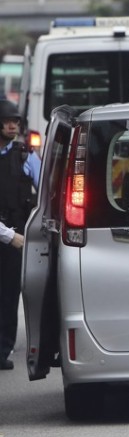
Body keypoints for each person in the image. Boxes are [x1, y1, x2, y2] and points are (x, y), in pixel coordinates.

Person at [0, 100, 40, 370]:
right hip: (8, 236)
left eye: (16, 120)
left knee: (9, 294)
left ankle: (2, 350)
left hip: (16, 237)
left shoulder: (27, 156)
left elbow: (47, 193)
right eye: (6, 120)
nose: (13, 124)